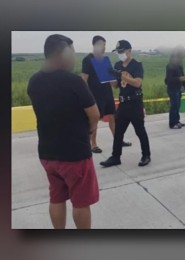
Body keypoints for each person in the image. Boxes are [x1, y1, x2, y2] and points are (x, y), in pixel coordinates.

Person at [27, 34, 100, 229]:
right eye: (72, 52)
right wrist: (91, 130)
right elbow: (94, 114)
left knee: (56, 197)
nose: (74, 57)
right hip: (74, 153)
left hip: (47, 153)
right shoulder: (73, 81)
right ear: (62, 54)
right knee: (81, 201)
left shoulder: (34, 81)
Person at [100, 40, 151, 167]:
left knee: (140, 130)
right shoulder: (117, 64)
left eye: (122, 51)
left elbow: (137, 83)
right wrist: (110, 77)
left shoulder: (137, 65)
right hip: (123, 103)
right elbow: (116, 86)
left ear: (129, 50)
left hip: (135, 102)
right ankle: (115, 157)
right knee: (118, 132)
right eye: (118, 52)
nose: (120, 54)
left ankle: (146, 155)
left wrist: (121, 75)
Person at [81, 35, 131, 153]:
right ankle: (93, 144)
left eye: (105, 45)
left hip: (107, 93)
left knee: (113, 117)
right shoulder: (88, 59)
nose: (104, 48)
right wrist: (86, 96)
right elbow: (84, 79)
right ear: (96, 45)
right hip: (94, 94)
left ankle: (118, 140)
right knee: (95, 119)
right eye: (103, 45)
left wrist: (119, 80)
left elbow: (111, 80)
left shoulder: (105, 60)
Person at [165, 47, 185, 129]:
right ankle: (172, 123)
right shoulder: (170, 66)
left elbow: (182, 75)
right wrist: (179, 79)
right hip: (172, 89)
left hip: (178, 89)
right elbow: (168, 80)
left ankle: (177, 121)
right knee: (174, 106)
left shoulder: (179, 66)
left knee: (177, 105)